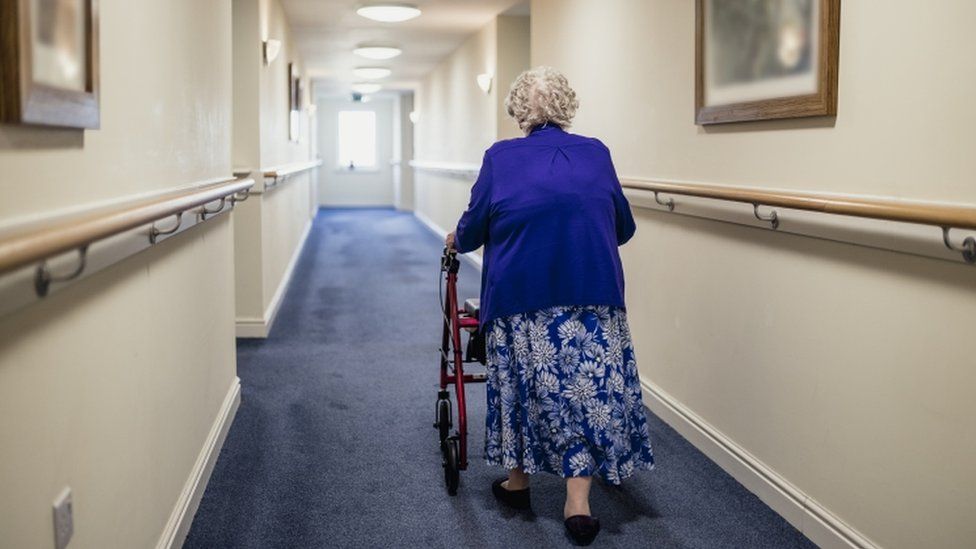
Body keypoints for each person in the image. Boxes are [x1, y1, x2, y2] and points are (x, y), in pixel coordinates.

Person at [445, 66, 654, 546]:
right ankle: (577, 503)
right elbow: (623, 227)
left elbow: (474, 229)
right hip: (593, 293)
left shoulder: (501, 157)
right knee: (586, 392)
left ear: (520, 111)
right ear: (567, 106)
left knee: (523, 383)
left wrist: (460, 236)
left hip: (522, 297)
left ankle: (518, 483)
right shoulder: (597, 153)